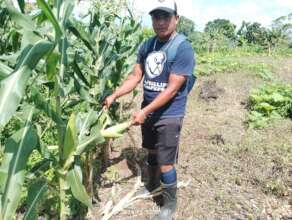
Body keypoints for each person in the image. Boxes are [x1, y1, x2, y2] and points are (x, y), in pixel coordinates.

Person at [104, 0, 195, 219]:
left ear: (176, 19)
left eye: (166, 17)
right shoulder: (147, 45)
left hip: (170, 114)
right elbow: (136, 76)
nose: (161, 22)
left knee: (166, 162)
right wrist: (115, 94)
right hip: (149, 111)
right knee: (151, 151)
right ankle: (153, 185)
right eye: (156, 17)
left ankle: (168, 205)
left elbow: (173, 89)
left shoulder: (182, 47)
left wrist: (145, 111)